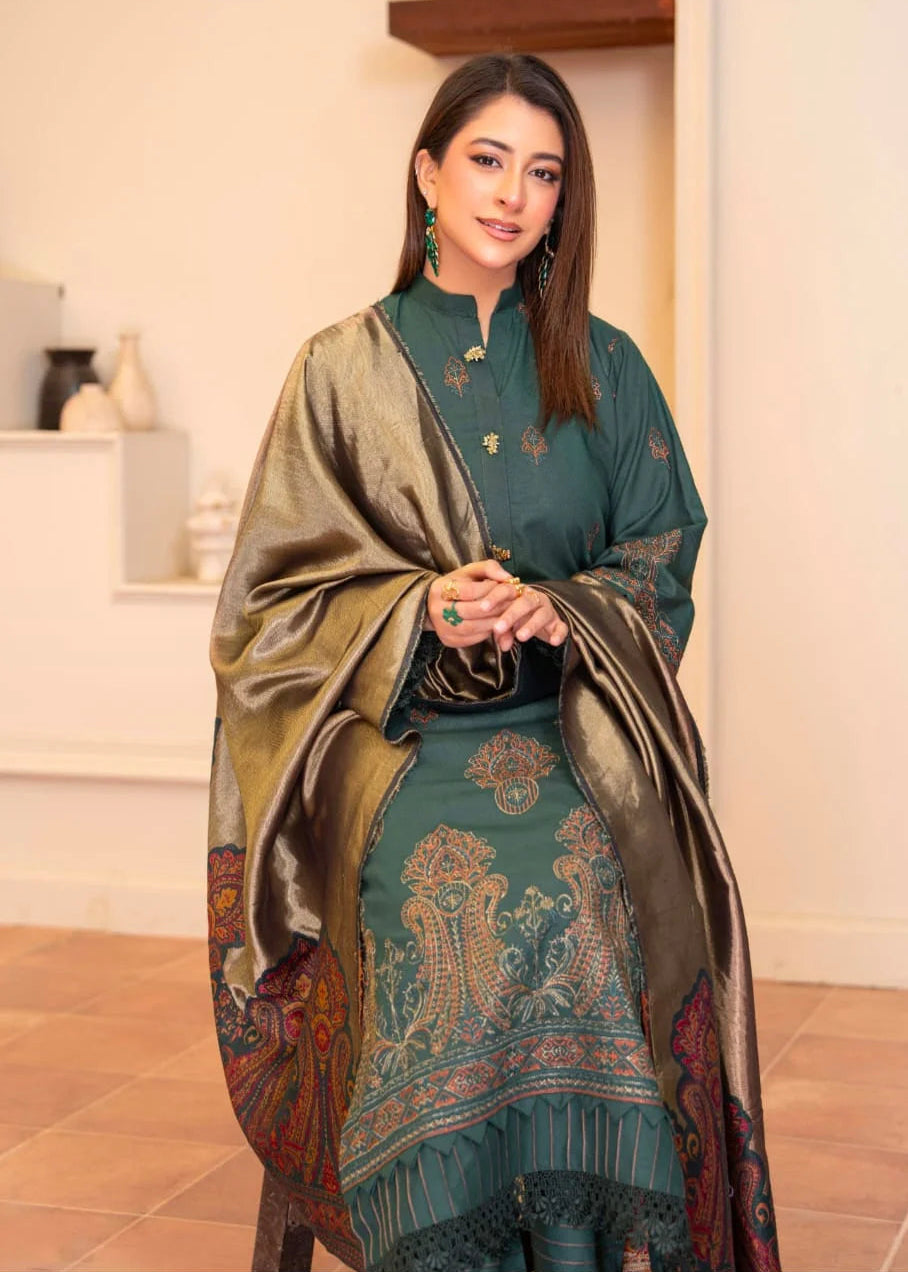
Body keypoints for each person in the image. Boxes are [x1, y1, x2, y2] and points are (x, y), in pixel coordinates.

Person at [207, 54, 780, 1272]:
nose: (513, 195)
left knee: (584, 880)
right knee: (438, 903)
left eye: (543, 172)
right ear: (425, 171)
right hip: (399, 751)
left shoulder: (604, 365)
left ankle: (566, 1247)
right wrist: (416, 609)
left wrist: (566, 612)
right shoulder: (339, 371)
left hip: (578, 737)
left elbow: (662, 550)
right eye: (486, 159)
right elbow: (264, 611)